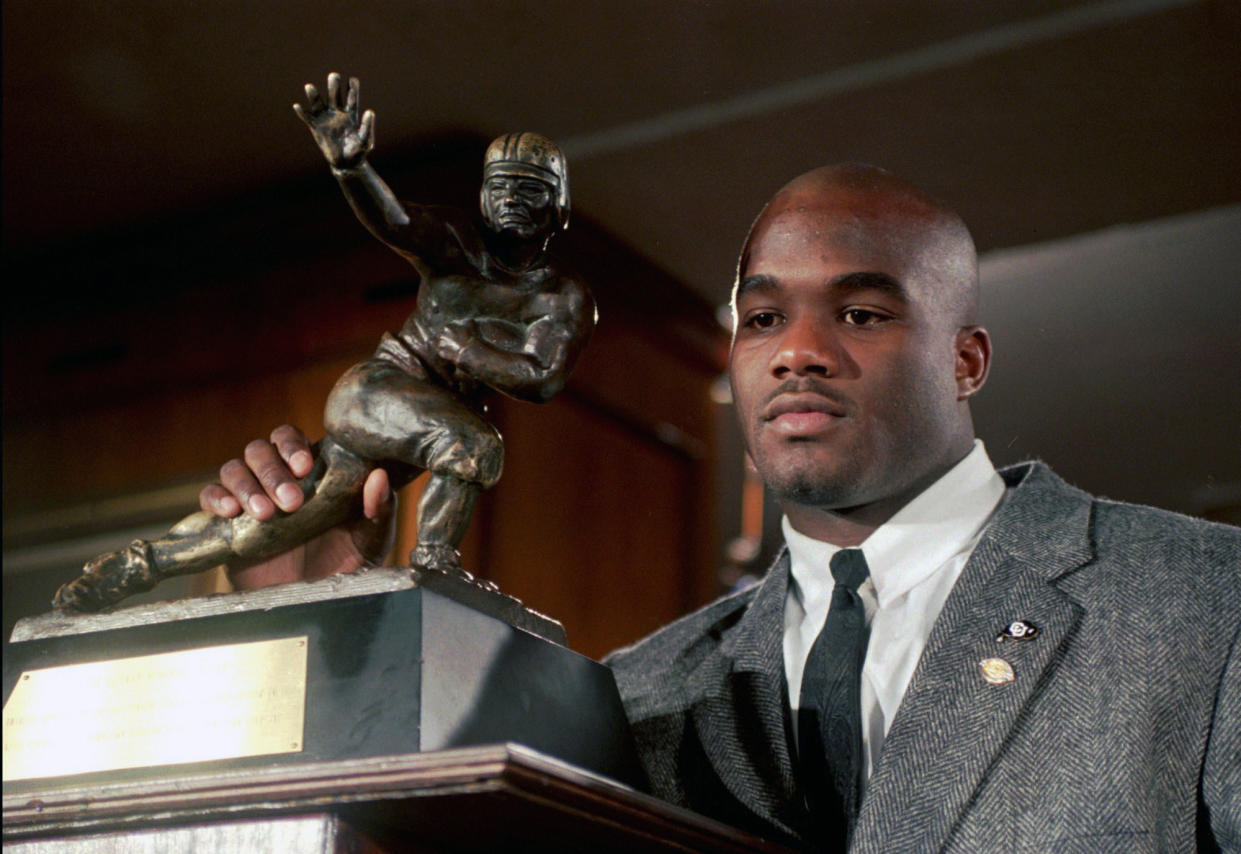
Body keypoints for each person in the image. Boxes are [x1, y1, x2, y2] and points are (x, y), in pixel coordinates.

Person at [196, 164, 1240, 852]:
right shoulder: (624, 697)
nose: (797, 348)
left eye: (863, 311)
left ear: (964, 358)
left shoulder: (1201, 600)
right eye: (760, 316)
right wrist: (336, 626)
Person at [52, 75, 594, 610]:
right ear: (481, 195)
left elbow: (541, 377)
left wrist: (464, 351)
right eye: (500, 186)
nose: (512, 200)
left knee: (260, 531)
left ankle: (141, 563)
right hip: (380, 392)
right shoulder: (457, 244)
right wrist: (352, 168)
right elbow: (397, 221)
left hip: (412, 438)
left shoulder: (559, 297)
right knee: (477, 446)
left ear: (560, 205)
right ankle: (434, 565)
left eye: (530, 189)